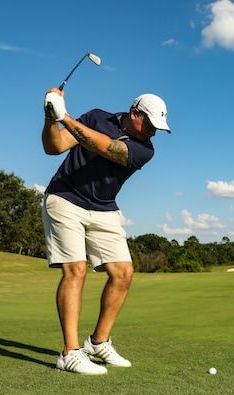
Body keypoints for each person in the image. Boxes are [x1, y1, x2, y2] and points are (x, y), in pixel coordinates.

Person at [41, 88, 170, 375]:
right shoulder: (97, 117)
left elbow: (106, 148)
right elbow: (55, 147)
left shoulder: (145, 150)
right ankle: (70, 353)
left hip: (103, 207)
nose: (153, 132)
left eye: (157, 128)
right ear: (134, 113)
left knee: (123, 272)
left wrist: (66, 117)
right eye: (149, 124)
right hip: (64, 198)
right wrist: (51, 118)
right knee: (75, 270)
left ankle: (98, 342)